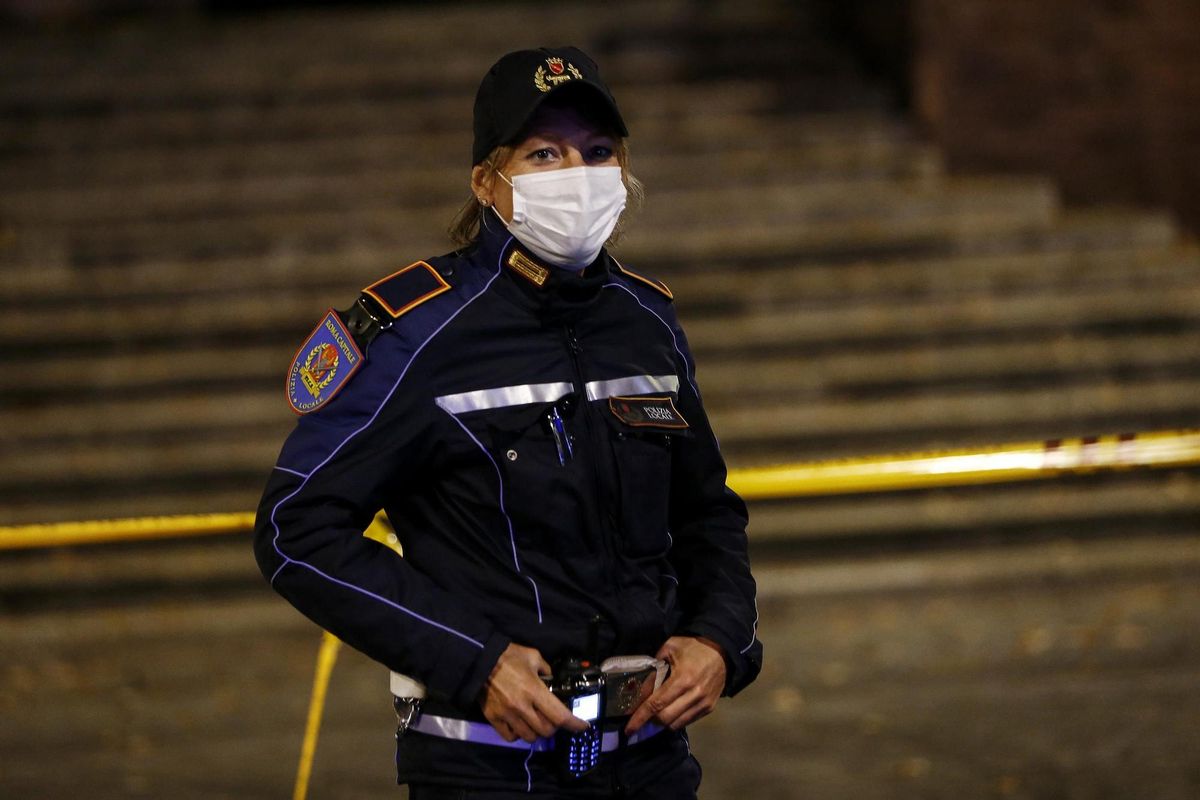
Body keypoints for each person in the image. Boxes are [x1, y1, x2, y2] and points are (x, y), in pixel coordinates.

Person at [254, 46, 762, 798]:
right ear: (487, 181)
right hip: (487, 769)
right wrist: (474, 658)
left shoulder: (645, 321)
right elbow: (295, 530)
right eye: (544, 153)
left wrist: (721, 639)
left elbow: (707, 515)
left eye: (598, 153)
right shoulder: (418, 334)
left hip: (649, 761)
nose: (578, 175)